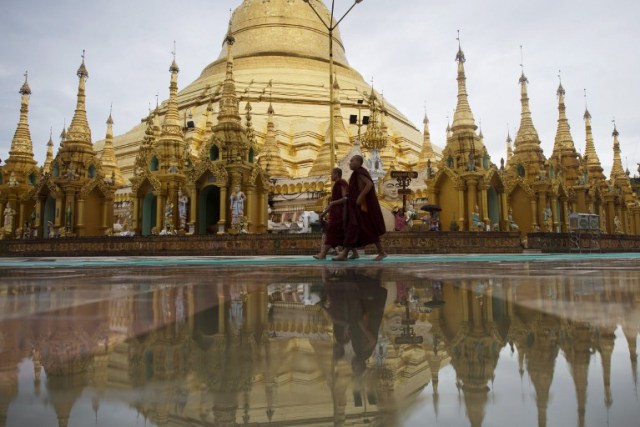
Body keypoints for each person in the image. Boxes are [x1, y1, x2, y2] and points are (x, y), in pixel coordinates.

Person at [334, 155, 387, 261]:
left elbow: (369, 184)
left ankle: (345, 254)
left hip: (361, 206)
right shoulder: (357, 173)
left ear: (358, 162)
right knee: (361, 229)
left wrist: (360, 197)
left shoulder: (359, 172)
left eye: (352, 161)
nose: (350, 162)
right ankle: (381, 252)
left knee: (354, 227)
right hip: (356, 206)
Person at [314, 168, 358, 259]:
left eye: (332, 174)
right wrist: (324, 213)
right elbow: (332, 203)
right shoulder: (338, 184)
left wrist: (333, 203)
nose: (331, 176)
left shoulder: (341, 183)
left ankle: (323, 254)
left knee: (331, 233)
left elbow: (345, 198)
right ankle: (355, 253)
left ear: (337, 174)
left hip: (340, 213)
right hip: (336, 212)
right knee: (344, 234)